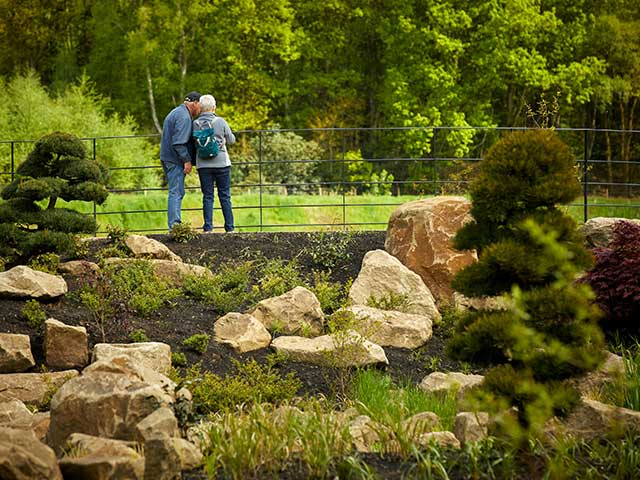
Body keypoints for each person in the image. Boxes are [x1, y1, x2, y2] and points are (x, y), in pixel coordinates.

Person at [192, 94, 236, 232]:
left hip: (203, 165)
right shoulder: (220, 121)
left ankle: (208, 228)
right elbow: (231, 140)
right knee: (224, 195)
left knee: (208, 196)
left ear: (200, 108)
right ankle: (229, 228)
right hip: (222, 163)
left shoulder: (195, 124)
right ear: (213, 107)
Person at [159, 91, 201, 231]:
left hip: (167, 157)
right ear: (194, 103)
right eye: (199, 106)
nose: (199, 110)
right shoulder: (184, 117)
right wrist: (187, 160)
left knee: (177, 191)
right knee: (176, 192)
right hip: (175, 159)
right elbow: (178, 143)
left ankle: (174, 224)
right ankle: (174, 226)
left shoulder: (176, 112)